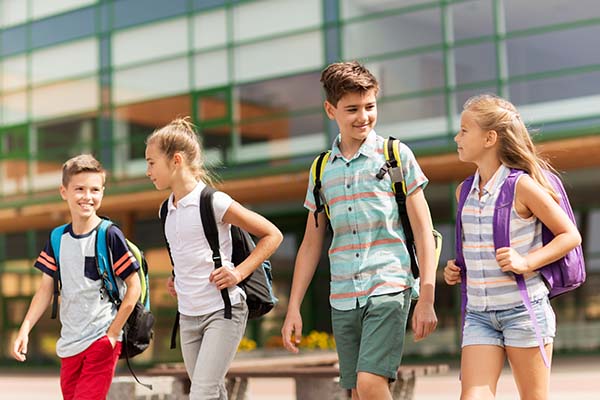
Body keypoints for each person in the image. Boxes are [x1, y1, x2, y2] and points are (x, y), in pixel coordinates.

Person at [281, 61, 438, 400]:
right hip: (342, 295)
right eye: (352, 109)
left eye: (370, 107)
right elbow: (311, 244)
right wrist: (293, 306)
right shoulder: (321, 169)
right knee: (356, 391)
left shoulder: (396, 156)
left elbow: (424, 230)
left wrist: (426, 295)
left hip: (388, 284)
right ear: (330, 109)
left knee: (369, 383)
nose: (363, 117)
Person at [443, 94, 582, 400]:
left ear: (490, 138)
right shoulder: (463, 191)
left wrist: (527, 261)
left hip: (524, 310)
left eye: (465, 130)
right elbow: (476, 245)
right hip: (479, 314)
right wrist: (457, 268)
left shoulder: (521, 186)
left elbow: (570, 235)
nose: (457, 137)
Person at [145, 117, 283, 400]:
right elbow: (190, 252)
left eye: (151, 162)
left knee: (202, 394)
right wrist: (177, 277)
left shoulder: (212, 201)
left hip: (223, 311)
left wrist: (238, 273)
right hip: (188, 315)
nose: (148, 171)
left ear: (176, 160)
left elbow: (272, 234)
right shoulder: (165, 210)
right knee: (213, 393)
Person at [12, 154, 141, 400]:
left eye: (94, 190)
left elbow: (133, 286)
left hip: (101, 340)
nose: (87, 196)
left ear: (102, 192)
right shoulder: (57, 238)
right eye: (79, 189)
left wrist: (112, 334)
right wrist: (25, 329)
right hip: (69, 344)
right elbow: (45, 290)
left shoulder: (110, 234)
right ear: (64, 191)